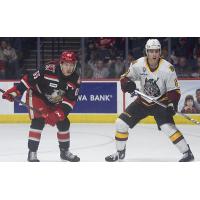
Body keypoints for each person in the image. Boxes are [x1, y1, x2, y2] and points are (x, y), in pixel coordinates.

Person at [105, 39, 194, 162]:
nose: (154, 54)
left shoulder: (168, 68)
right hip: (143, 101)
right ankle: (119, 153)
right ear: (147, 52)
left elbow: (174, 90)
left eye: (156, 51)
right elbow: (124, 78)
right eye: (151, 51)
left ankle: (187, 153)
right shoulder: (138, 64)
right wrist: (127, 84)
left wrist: (172, 104)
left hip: (161, 102)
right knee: (120, 123)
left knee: (167, 127)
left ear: (160, 52)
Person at [2, 51, 81, 162]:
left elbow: (70, 101)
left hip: (54, 100)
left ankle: (64, 152)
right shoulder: (48, 69)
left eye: (72, 65)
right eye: (66, 65)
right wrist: (14, 92)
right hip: (37, 96)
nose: (69, 68)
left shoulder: (75, 79)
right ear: (61, 63)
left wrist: (57, 115)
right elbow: (28, 80)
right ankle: (32, 153)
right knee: (38, 121)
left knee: (64, 122)